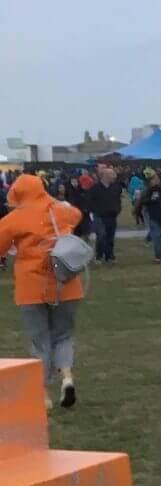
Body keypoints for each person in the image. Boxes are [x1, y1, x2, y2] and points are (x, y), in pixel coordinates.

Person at [0, 170, 87, 408]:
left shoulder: (15, 218)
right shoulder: (60, 210)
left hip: (31, 286)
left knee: (40, 340)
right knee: (64, 335)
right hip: (66, 284)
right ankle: (67, 377)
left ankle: (43, 393)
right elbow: (77, 215)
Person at [141, 169, 161, 262]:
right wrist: (151, 199)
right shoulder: (151, 190)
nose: (153, 180)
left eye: (155, 178)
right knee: (157, 236)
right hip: (154, 217)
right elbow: (144, 201)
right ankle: (158, 256)